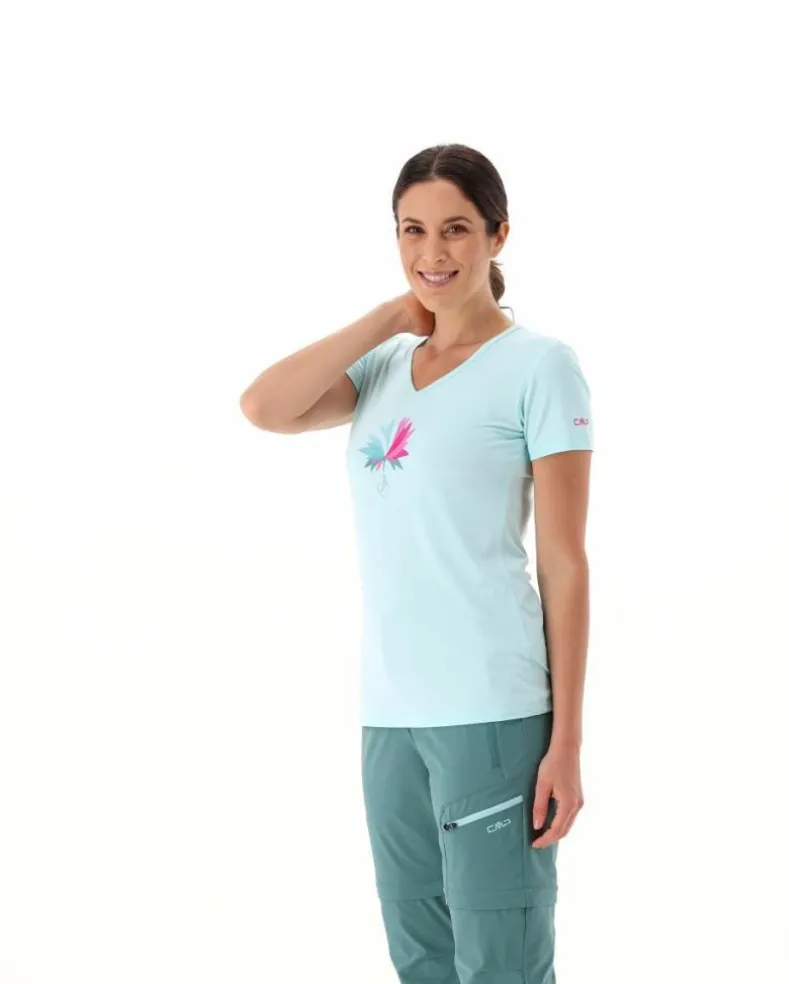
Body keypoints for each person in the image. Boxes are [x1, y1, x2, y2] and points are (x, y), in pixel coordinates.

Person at [239, 143, 593, 983]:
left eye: (456, 230)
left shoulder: (540, 367)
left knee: (501, 964)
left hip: (492, 711)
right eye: (413, 230)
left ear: (499, 236)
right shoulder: (381, 370)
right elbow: (263, 406)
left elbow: (565, 563)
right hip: (390, 714)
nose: (433, 251)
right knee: (421, 961)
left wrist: (566, 741)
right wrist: (389, 318)